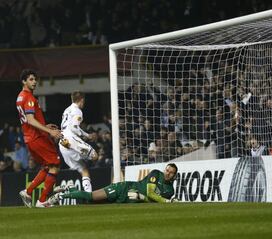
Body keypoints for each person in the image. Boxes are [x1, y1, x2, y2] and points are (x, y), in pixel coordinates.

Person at [16, 69, 63, 208]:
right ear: (24, 81)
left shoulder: (20, 97)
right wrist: (49, 131)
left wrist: (44, 125)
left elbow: (29, 120)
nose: (34, 82)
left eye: (35, 79)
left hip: (30, 138)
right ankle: (42, 201)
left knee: (48, 166)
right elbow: (30, 120)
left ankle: (28, 191)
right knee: (55, 165)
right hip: (37, 138)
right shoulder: (29, 98)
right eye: (31, 79)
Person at [49, 163, 179, 205]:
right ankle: (61, 196)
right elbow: (151, 193)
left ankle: (70, 187)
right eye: (167, 170)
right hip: (124, 188)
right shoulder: (156, 173)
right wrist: (168, 202)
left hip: (125, 200)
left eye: (171, 172)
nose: (167, 173)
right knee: (91, 197)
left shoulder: (170, 191)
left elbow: (155, 202)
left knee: (91, 203)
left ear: (174, 175)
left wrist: (142, 198)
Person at [59, 91, 98, 192]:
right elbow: (74, 127)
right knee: (95, 156)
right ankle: (79, 190)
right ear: (82, 100)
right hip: (71, 139)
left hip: (62, 142)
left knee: (83, 169)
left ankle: (87, 193)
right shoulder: (77, 111)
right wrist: (88, 135)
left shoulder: (66, 110)